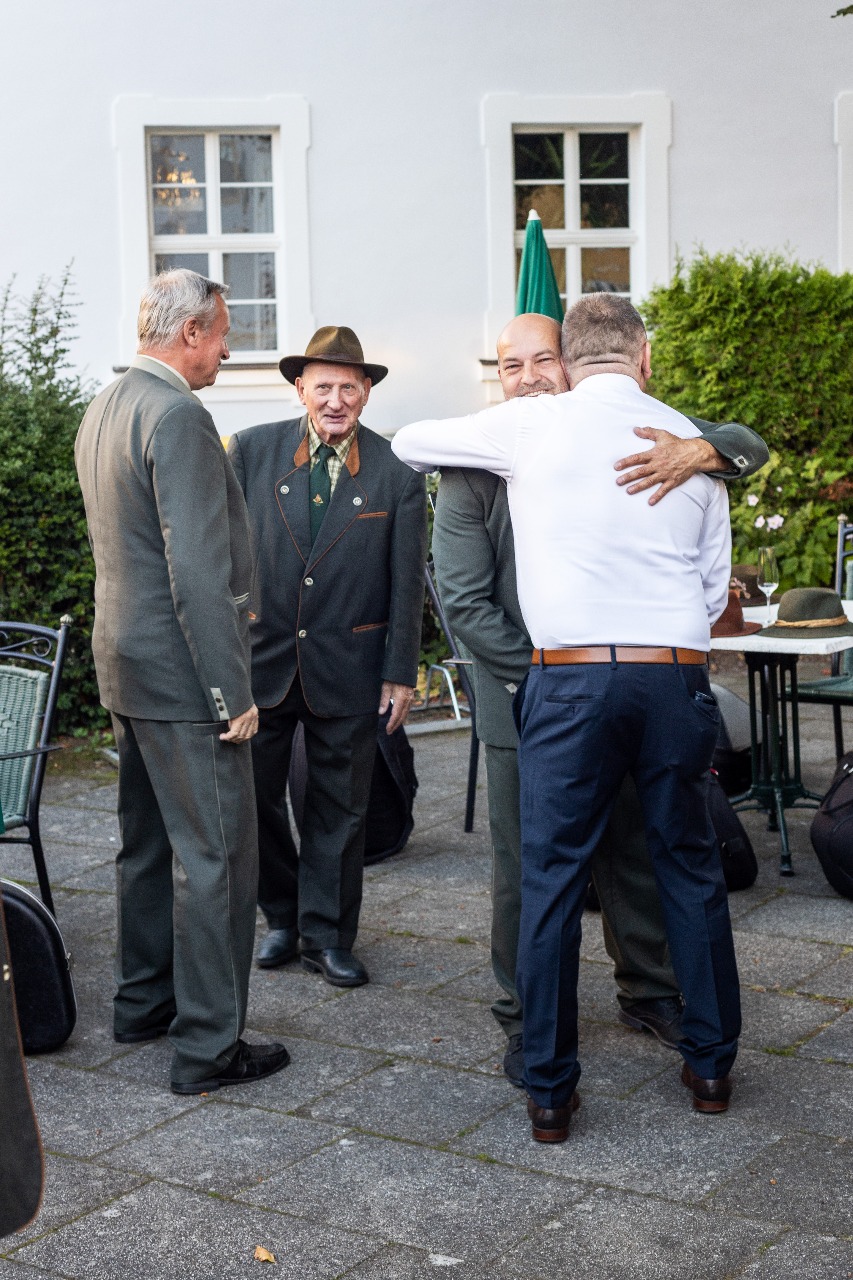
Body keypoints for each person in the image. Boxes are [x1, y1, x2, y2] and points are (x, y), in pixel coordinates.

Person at [392, 294, 741, 1141]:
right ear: (644, 357)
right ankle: (709, 1067)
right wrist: (706, 452)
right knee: (690, 869)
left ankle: (549, 1089)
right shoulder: (692, 448)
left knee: (548, 878)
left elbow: (406, 443)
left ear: (570, 362)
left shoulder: (529, 427)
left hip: (572, 678)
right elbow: (710, 591)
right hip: (672, 677)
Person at [75, 269, 289, 1095]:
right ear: (191, 331)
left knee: (145, 847)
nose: (228, 350)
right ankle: (208, 1047)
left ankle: (142, 1004)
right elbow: (195, 569)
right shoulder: (177, 414)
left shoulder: (106, 404)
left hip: (125, 665)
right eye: (223, 333)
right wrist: (231, 693)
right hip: (184, 679)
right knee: (217, 859)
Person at [228, 326, 427, 988]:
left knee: (340, 809)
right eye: (322, 387)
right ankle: (282, 917)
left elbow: (407, 581)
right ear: (299, 389)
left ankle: (327, 935)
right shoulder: (250, 451)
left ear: (366, 392)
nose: (335, 401)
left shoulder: (398, 469)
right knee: (254, 803)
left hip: (352, 667)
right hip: (262, 665)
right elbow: (223, 555)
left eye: (348, 387)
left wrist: (400, 671)